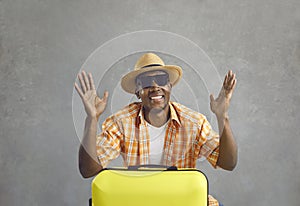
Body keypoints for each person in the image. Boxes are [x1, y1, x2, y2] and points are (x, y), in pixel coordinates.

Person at [75, 53, 237, 206]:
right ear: (138, 92)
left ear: (169, 86)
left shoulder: (194, 122)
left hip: (182, 200)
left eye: (160, 79)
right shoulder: (121, 122)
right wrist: (92, 118)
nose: (154, 87)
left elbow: (228, 163)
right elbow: (88, 170)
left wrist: (223, 117)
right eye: (146, 82)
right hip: (138, 200)